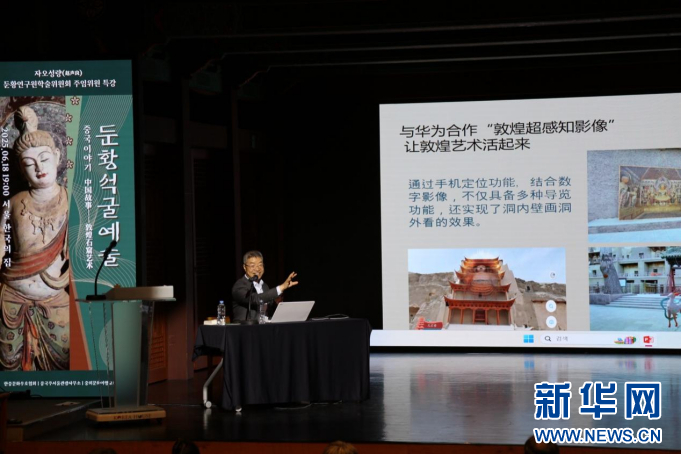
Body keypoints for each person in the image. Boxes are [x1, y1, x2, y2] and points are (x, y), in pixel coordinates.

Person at [0, 105, 71, 371]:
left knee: (63, 362)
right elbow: (1, 241)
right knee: (9, 367)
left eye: (44, 158)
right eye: (29, 164)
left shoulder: (70, 201)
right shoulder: (13, 203)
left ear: (57, 156)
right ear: (21, 169)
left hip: (56, 297)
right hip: (12, 297)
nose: (39, 168)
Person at [231, 250, 298, 321]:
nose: (257, 269)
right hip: (244, 327)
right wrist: (282, 287)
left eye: (260, 265)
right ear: (244, 267)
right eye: (252, 265)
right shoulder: (239, 286)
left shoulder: (264, 286)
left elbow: (270, 310)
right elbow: (255, 299)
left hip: (264, 326)